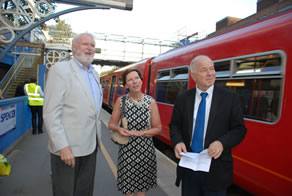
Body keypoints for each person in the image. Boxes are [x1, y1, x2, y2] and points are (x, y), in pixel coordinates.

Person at [169, 55, 247, 196]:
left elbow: (239, 129)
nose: (210, 73)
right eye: (204, 70)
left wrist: (221, 143)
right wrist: (178, 141)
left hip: (216, 170)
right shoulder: (183, 98)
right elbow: (174, 125)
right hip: (189, 169)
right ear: (194, 76)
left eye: (212, 69)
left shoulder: (230, 98)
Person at [43, 33, 103, 196]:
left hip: (91, 146)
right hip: (68, 148)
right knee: (66, 191)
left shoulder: (94, 74)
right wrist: (62, 146)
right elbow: (50, 113)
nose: (90, 48)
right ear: (74, 47)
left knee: (84, 191)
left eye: (92, 45)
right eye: (85, 44)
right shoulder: (60, 70)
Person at [108, 68, 162, 196]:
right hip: (127, 152)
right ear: (126, 85)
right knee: (128, 190)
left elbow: (158, 128)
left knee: (141, 189)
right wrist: (119, 129)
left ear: (141, 81)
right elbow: (111, 124)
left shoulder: (150, 102)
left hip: (145, 152)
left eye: (136, 78)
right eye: (130, 80)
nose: (134, 82)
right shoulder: (121, 101)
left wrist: (141, 133)